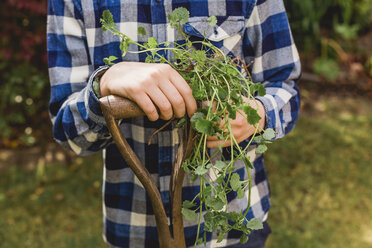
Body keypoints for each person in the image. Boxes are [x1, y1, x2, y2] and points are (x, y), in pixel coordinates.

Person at [47, 0, 301, 247]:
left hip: (230, 227)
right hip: (134, 229)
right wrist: (104, 82)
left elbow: (285, 87)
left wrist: (258, 114)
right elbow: (71, 134)